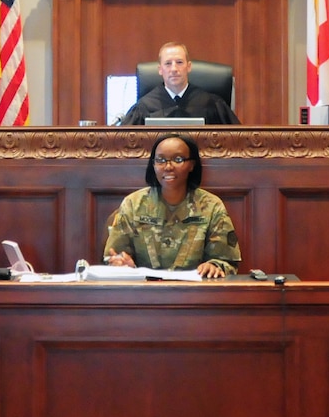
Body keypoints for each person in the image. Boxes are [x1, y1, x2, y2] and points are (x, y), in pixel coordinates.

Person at [103, 132, 241, 278]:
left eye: (178, 159)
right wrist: (122, 264)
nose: (168, 167)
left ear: (191, 165)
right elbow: (113, 257)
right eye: (161, 160)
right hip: (143, 293)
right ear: (153, 164)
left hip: (196, 294)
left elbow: (227, 261)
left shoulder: (212, 206)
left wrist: (213, 266)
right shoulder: (133, 204)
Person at [117, 42, 239, 125]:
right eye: (168, 63)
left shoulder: (210, 103)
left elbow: (237, 138)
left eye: (179, 62)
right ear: (160, 69)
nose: (174, 69)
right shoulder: (144, 106)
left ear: (189, 67)